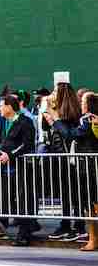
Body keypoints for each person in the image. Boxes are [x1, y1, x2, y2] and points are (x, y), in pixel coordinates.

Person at [0, 94, 39, 246]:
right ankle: (23, 227)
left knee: (25, 199)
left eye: (2, 105)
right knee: (9, 197)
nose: (0, 108)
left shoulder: (25, 121)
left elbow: (27, 144)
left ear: (10, 107)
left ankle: (24, 234)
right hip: (8, 169)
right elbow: (2, 144)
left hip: (24, 167)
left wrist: (10, 155)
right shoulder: (5, 122)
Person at [43, 83, 84, 241]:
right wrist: (47, 116)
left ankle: (78, 226)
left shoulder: (72, 114)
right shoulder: (55, 113)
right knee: (65, 193)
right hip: (59, 158)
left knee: (76, 193)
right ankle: (65, 224)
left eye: (54, 92)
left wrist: (56, 120)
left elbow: (68, 135)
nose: (51, 95)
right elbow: (48, 131)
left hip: (71, 159)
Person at [75, 92, 98, 251]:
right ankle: (93, 239)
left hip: (91, 166)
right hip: (87, 166)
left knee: (91, 204)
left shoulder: (87, 119)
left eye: (83, 101)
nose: (80, 103)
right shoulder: (86, 119)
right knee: (89, 205)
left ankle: (93, 239)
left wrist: (55, 121)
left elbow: (75, 134)